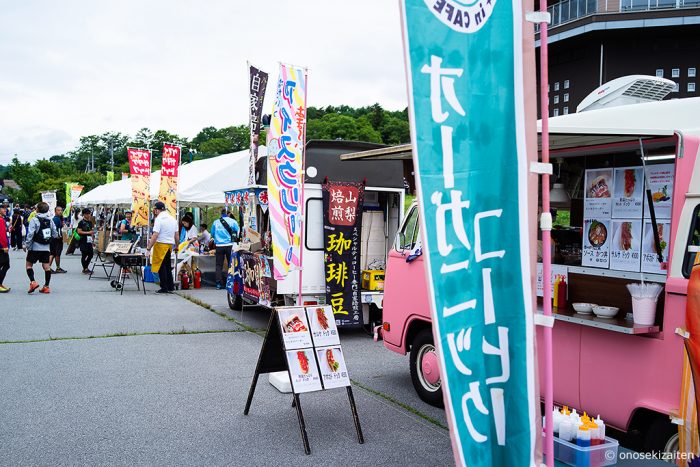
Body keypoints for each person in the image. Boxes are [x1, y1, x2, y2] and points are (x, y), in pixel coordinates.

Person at [24, 201, 58, 294]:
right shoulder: (50, 220)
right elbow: (55, 234)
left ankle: (33, 282)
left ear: (37, 209)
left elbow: (30, 234)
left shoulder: (34, 220)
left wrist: (27, 245)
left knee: (29, 265)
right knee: (46, 267)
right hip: (46, 248)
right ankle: (46, 286)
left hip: (35, 247)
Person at [147, 201, 178, 294]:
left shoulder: (159, 219)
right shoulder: (173, 219)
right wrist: (177, 246)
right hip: (169, 246)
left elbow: (155, 234)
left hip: (160, 244)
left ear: (157, 210)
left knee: (161, 266)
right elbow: (176, 235)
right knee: (168, 267)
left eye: (154, 210)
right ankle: (170, 286)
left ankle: (164, 287)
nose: (154, 212)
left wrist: (148, 248)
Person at [210, 209, 239, 289]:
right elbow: (237, 232)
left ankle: (218, 284)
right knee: (231, 264)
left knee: (219, 265)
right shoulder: (233, 222)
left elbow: (212, 233)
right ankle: (231, 282)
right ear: (228, 214)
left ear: (221, 214)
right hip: (230, 245)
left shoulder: (215, 222)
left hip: (219, 246)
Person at [76, 208, 95, 274]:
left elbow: (92, 232)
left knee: (91, 254)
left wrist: (93, 240)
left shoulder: (90, 222)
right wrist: (88, 232)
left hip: (89, 240)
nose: (88, 215)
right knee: (84, 254)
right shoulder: (81, 222)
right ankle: (85, 268)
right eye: (87, 214)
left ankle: (85, 267)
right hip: (83, 239)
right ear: (84, 214)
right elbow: (79, 231)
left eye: (89, 214)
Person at [49, 206, 67, 273]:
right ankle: (56, 268)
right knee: (56, 254)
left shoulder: (57, 219)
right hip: (56, 239)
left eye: (61, 210)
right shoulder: (56, 219)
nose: (60, 212)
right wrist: (58, 236)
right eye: (58, 210)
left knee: (53, 253)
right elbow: (56, 229)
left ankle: (49, 267)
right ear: (55, 211)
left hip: (54, 238)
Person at [0, 203, 10, 292]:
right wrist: (5, 246)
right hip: (1, 247)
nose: (5, 210)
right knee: (6, 265)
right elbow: (2, 235)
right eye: (3, 209)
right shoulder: (1, 220)